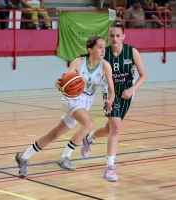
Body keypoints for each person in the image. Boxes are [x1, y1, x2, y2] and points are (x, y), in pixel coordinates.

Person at [15, 35, 115, 177]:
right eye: (100, 47)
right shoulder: (79, 62)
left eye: (104, 47)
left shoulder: (105, 66)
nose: (103, 50)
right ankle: (65, 157)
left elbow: (112, 91)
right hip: (72, 99)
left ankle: (23, 157)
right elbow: (64, 80)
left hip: (86, 102)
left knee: (54, 135)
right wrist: (59, 82)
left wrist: (110, 100)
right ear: (90, 49)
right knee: (89, 124)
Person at [80, 18, 147, 182]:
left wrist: (131, 89)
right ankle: (110, 168)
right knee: (116, 127)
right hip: (110, 93)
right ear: (108, 37)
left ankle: (88, 139)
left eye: (118, 35)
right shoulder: (104, 54)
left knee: (110, 129)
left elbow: (143, 76)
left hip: (127, 92)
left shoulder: (132, 52)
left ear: (124, 36)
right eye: (111, 36)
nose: (114, 38)